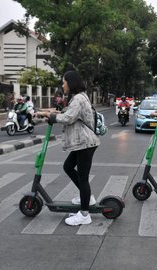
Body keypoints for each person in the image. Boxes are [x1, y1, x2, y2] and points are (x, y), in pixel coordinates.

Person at [35, 70, 100, 226]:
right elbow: (68, 113)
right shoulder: (79, 97)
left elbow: (68, 118)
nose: (62, 85)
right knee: (68, 167)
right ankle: (88, 198)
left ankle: (85, 215)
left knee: (83, 178)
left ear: (70, 83)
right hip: (83, 143)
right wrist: (46, 113)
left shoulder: (78, 98)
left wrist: (51, 117)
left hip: (85, 143)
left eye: (64, 82)